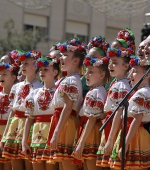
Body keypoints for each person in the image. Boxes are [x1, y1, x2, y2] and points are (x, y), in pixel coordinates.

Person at [43, 38, 86, 170]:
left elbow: (68, 107)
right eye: (61, 55)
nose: (61, 58)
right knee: (62, 165)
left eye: (65, 55)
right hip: (63, 122)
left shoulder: (71, 80)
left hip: (65, 124)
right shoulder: (70, 79)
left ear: (75, 61)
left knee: (66, 165)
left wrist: (56, 131)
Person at [1, 51, 43, 170]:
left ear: (35, 66)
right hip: (15, 125)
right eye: (21, 64)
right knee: (15, 163)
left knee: (29, 162)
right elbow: (12, 111)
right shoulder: (16, 86)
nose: (22, 66)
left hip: (29, 125)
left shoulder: (39, 88)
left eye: (26, 64)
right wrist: (5, 135)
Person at [109, 56, 150, 169]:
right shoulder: (140, 91)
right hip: (131, 132)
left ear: (147, 75)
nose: (130, 75)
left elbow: (137, 119)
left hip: (135, 135)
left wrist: (125, 144)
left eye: (135, 72)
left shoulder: (142, 92)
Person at [21, 55, 59, 170]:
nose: (42, 72)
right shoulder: (34, 93)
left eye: (46, 69)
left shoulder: (59, 92)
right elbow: (29, 118)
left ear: (55, 72)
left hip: (51, 133)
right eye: (41, 69)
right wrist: (24, 141)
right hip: (36, 136)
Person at [72, 56, 110, 170]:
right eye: (86, 72)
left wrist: (81, 143)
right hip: (89, 131)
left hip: (91, 132)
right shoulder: (96, 90)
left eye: (91, 72)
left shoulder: (97, 92)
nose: (86, 75)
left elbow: (92, 119)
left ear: (102, 75)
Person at [96, 47, 132, 167]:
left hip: (114, 127)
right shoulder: (116, 83)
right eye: (110, 62)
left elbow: (118, 112)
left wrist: (111, 140)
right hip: (110, 125)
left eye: (115, 63)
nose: (110, 65)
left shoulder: (122, 85)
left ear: (126, 66)